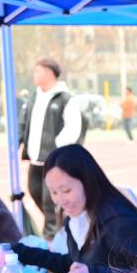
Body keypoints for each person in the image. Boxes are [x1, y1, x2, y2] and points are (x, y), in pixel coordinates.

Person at [11, 145, 137, 273]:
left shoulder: (120, 221)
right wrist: (19, 252)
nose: (60, 200)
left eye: (66, 190)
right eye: (54, 192)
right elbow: (75, 265)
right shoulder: (76, 219)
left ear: (87, 182)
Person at [19, 58, 85, 238]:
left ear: (49, 73)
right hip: (35, 160)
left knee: (51, 202)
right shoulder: (34, 98)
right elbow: (23, 123)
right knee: (34, 192)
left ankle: (51, 238)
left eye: (38, 71)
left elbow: (73, 128)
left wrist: (58, 149)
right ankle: (59, 227)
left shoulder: (65, 98)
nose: (34, 75)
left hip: (54, 161)